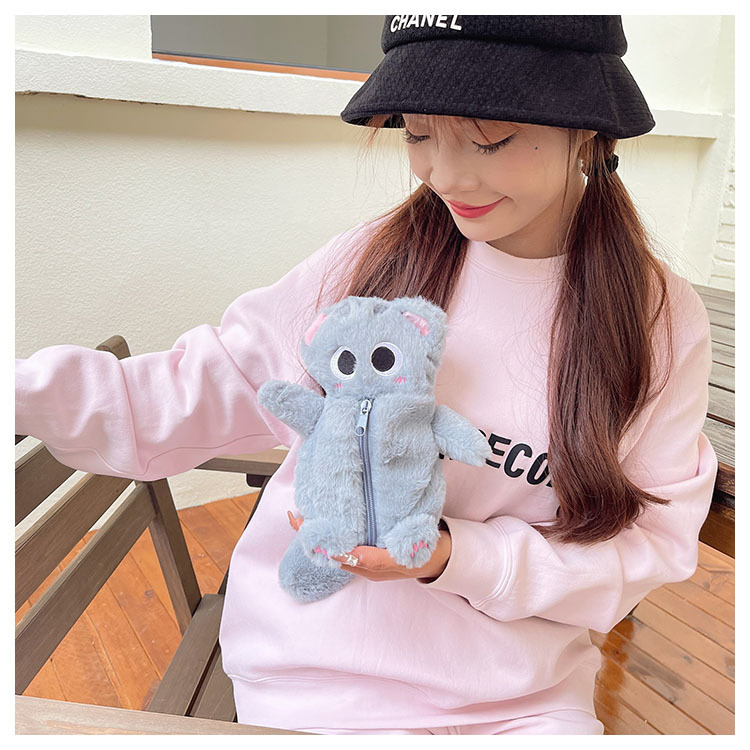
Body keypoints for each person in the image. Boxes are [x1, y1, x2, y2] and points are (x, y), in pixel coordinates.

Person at [15, 16, 718, 735]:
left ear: (591, 128)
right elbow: (195, 387)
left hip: (525, 702)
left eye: (490, 139)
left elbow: (650, 544)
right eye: (418, 133)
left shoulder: (659, 321)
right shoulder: (374, 262)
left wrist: (456, 557)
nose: (446, 175)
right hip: (319, 680)